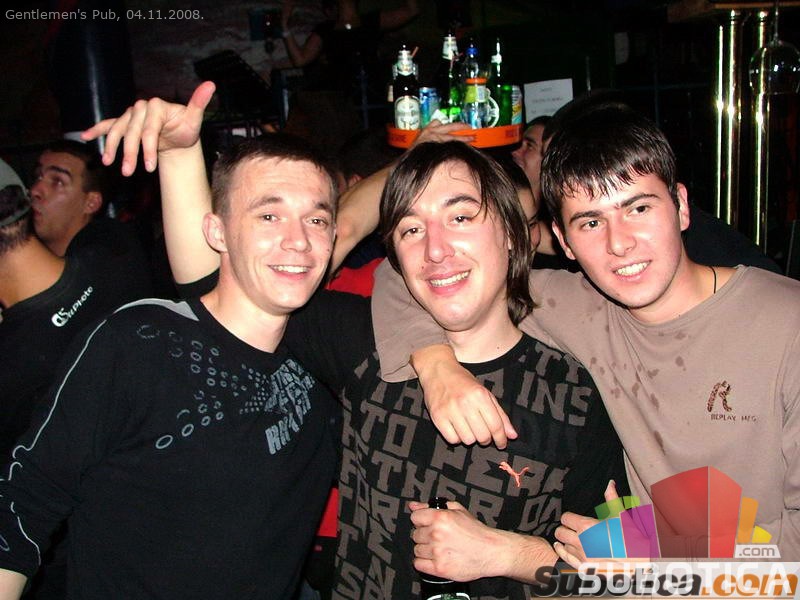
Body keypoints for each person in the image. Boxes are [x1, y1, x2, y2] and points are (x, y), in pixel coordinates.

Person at [90, 87, 627, 596]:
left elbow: (623, 582)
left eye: (461, 217)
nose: (436, 250)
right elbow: (215, 281)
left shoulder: (582, 390)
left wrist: (509, 555)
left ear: (513, 233)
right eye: (411, 229)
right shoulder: (360, 339)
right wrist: (181, 156)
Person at [370, 101, 800, 561]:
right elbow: (405, 272)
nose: (619, 242)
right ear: (564, 240)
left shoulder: (786, 323)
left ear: (680, 207)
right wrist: (437, 366)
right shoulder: (579, 306)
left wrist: (653, 554)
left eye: (638, 207)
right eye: (591, 222)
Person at [0, 129, 342, 597]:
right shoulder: (141, 341)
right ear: (217, 231)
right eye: (269, 215)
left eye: (316, 220)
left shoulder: (321, 358)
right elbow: (24, 500)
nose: (298, 241)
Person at [29, 139, 154, 298]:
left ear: (91, 203)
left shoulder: (110, 249)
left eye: (58, 181)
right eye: (37, 177)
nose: (35, 190)